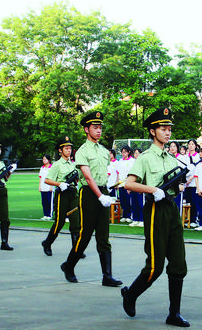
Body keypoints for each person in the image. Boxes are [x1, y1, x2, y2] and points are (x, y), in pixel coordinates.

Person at [122, 107, 190, 327]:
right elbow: (129, 183)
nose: (168, 132)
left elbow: (176, 184)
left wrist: (180, 186)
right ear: (153, 131)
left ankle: (174, 314)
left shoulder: (171, 158)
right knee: (155, 266)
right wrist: (152, 190)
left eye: (169, 128)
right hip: (155, 210)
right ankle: (131, 294)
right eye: (163, 128)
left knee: (179, 264)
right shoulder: (145, 157)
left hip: (171, 210)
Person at [60, 111, 122, 287]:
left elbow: (103, 175)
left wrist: (107, 190)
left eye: (100, 127)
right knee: (86, 235)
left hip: (102, 192)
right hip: (89, 194)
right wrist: (100, 195)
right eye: (95, 127)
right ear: (86, 129)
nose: (99, 130)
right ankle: (69, 266)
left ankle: (107, 276)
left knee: (103, 235)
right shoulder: (82, 151)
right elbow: (87, 177)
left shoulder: (103, 151)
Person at [41, 136, 80, 256]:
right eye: (66, 148)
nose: (69, 150)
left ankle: (76, 249)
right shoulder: (57, 165)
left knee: (76, 222)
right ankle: (47, 243)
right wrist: (59, 184)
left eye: (70, 148)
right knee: (59, 222)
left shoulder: (73, 164)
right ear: (60, 150)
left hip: (73, 194)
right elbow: (47, 180)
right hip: (62, 195)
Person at [116, 146, 134, 223]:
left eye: (125, 152)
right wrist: (117, 183)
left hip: (128, 183)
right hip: (121, 184)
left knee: (128, 200)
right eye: (122, 152)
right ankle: (125, 215)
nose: (123, 153)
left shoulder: (132, 161)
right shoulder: (120, 161)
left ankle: (129, 215)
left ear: (129, 152)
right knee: (123, 200)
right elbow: (118, 172)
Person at [130, 148, 145, 227]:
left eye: (138, 153)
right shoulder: (132, 163)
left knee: (140, 204)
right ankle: (135, 219)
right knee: (134, 203)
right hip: (133, 187)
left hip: (139, 187)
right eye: (135, 153)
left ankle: (141, 219)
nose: (137, 155)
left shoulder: (143, 163)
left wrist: (142, 187)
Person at [39, 154, 53, 220]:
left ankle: (50, 215)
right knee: (44, 202)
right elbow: (40, 178)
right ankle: (45, 214)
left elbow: (53, 178)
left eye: (45, 159)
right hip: (43, 187)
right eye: (43, 159)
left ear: (49, 160)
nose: (44, 160)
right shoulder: (42, 168)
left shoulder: (52, 168)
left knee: (49, 201)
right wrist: (40, 186)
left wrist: (51, 186)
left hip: (49, 187)